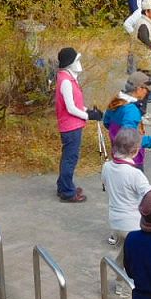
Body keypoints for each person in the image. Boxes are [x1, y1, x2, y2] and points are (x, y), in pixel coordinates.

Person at [102, 128, 151, 299]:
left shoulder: (107, 166)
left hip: (115, 221)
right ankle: (126, 298)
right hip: (132, 224)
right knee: (135, 261)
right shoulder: (134, 174)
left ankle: (118, 283)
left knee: (124, 254)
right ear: (134, 150)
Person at [54, 47, 103, 203]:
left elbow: (76, 104)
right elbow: (70, 108)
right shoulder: (66, 81)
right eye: (77, 60)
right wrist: (88, 115)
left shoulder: (67, 78)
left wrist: (88, 111)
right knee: (70, 159)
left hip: (72, 125)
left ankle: (63, 186)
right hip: (70, 126)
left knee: (68, 158)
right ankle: (68, 192)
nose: (79, 63)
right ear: (70, 64)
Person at [102, 71, 151, 170]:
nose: (147, 93)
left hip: (116, 153)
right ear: (139, 89)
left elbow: (106, 123)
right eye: (146, 90)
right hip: (132, 159)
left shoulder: (116, 100)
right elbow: (131, 140)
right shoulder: (131, 111)